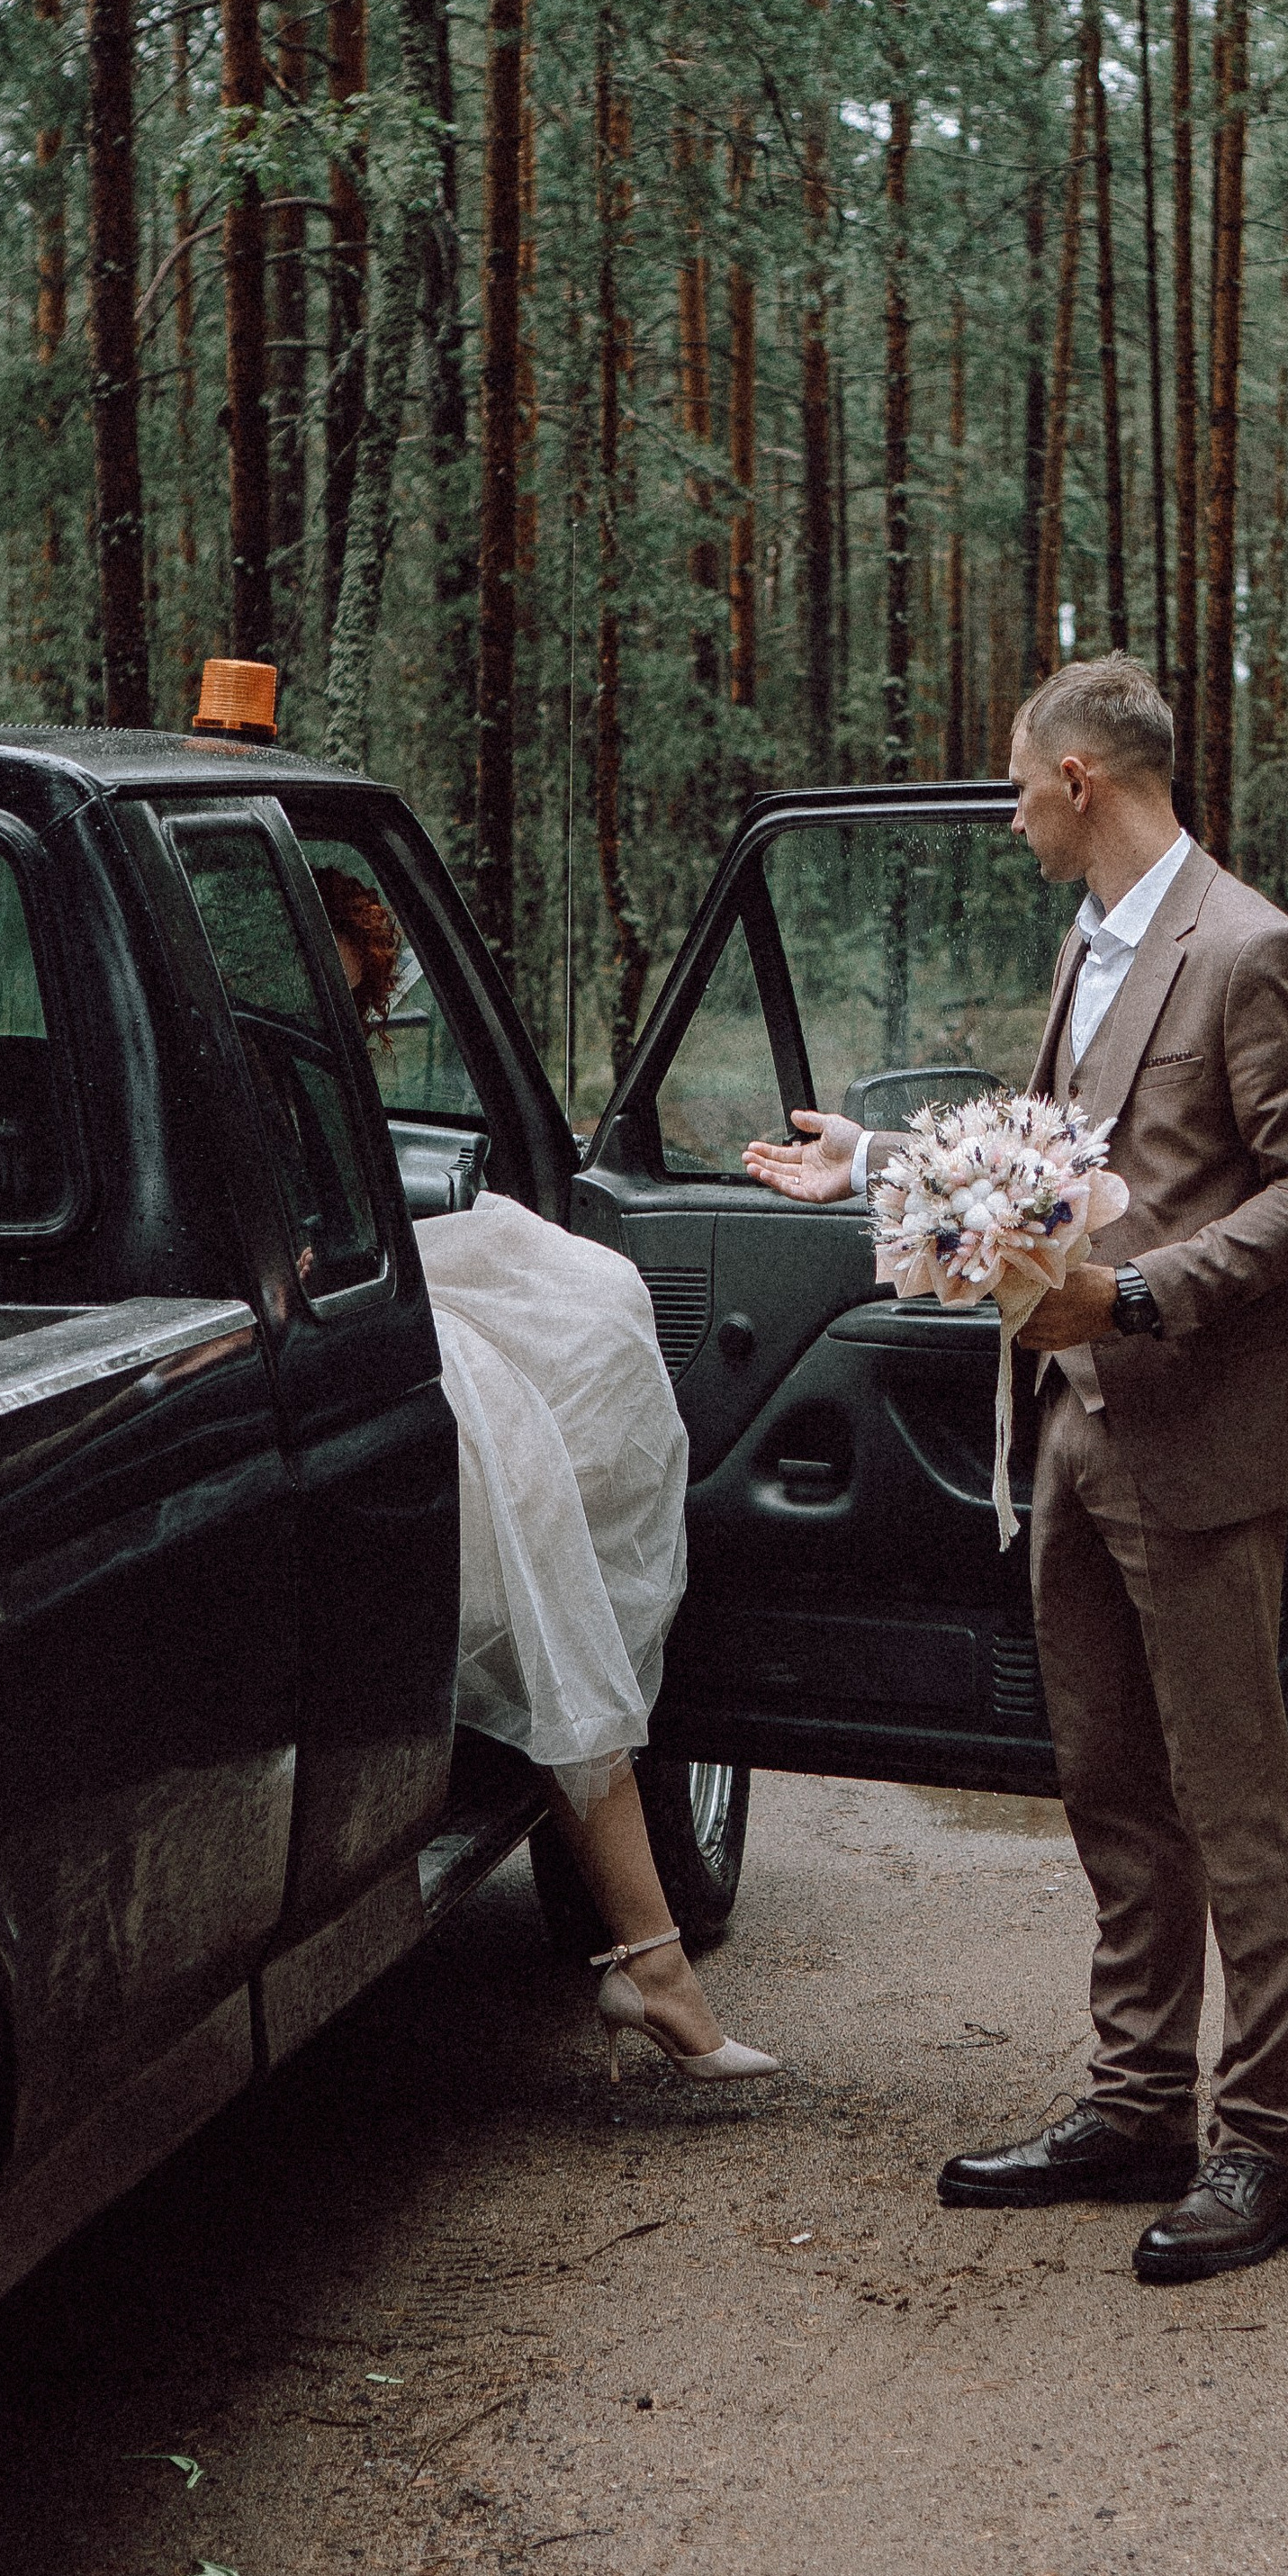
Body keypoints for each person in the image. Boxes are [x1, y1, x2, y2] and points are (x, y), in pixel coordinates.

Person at [741, 661, 1288, 2281]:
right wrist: (876, 1164)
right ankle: (1138, 2101)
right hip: (1071, 1430)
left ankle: (1264, 2146)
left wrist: (1144, 1296)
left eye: (1019, 785)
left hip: (1209, 1436)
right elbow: (1062, 1161)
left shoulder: (1250, 947)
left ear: (1082, 779)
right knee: (1108, 1785)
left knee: (1234, 1801)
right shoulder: (1088, 944)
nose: (1009, 811)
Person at [312, 869, 775, 2090]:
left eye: (363, 1006)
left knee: (598, 1302)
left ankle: (653, 1960)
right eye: (347, 1001)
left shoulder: (258, 1064)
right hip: (324, 1323)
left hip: (360, 1291)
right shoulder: (237, 1067)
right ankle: (653, 1965)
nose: (356, 1025)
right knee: (527, 1486)